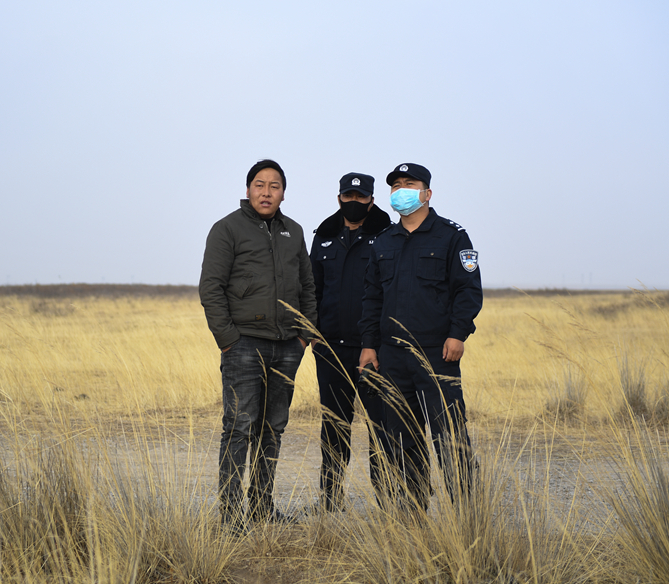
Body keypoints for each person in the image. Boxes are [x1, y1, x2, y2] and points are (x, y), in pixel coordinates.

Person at [199, 159, 317, 530]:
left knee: (273, 428)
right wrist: (228, 340)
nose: (266, 192)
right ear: (248, 189)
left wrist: (304, 335)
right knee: (239, 428)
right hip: (244, 345)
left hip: (287, 346)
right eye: (260, 185)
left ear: (283, 193)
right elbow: (211, 288)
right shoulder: (227, 229)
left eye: (274, 186)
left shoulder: (294, 232)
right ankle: (232, 515)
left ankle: (262, 507)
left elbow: (308, 286)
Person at [358, 162, 482, 512]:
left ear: (427, 193)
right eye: (396, 185)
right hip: (392, 356)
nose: (402, 191)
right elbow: (372, 297)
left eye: (409, 184)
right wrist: (369, 345)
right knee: (402, 438)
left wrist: (457, 334)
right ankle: (414, 514)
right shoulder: (384, 241)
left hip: (437, 354)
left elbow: (468, 290)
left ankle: (467, 515)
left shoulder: (452, 236)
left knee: (450, 435)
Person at [308, 172, 391, 511]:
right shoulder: (324, 236)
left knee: (381, 427)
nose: (354, 203)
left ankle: (388, 502)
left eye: (361, 197)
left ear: (371, 200)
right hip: (330, 349)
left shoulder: (387, 234)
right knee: (334, 425)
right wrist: (314, 333)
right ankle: (330, 501)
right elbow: (312, 289)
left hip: (374, 350)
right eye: (348, 197)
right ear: (339, 198)